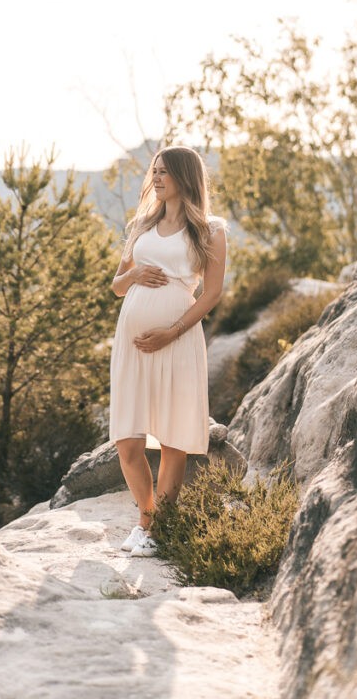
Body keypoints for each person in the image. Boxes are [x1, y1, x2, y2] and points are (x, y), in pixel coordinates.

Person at [109, 145, 227, 557]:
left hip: (177, 341)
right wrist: (135, 273)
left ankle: (153, 528)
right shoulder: (141, 225)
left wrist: (171, 332)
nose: (156, 178)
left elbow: (211, 294)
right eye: (153, 171)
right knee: (128, 441)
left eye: (164, 172)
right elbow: (117, 285)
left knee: (173, 437)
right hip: (133, 343)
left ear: (184, 176)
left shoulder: (210, 229)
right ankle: (147, 513)